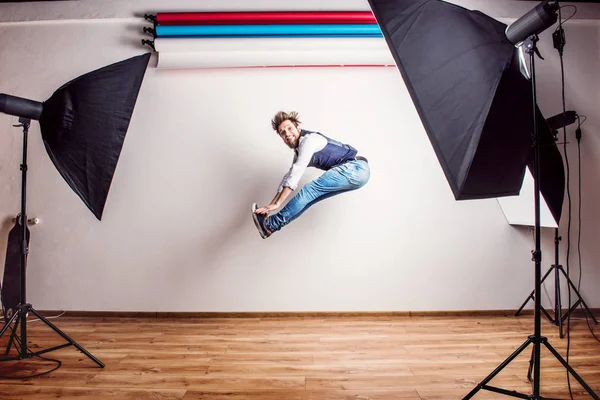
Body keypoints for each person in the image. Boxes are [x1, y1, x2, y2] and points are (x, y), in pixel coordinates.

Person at [252, 111, 370, 239]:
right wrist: (271, 205)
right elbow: (289, 176)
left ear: (298, 128)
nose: (287, 133)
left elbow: (297, 173)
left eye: (289, 128)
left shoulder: (309, 140)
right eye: (282, 132)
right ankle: (270, 227)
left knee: (310, 190)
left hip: (356, 168)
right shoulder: (299, 151)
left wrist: (278, 204)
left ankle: (270, 225)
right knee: (311, 197)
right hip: (355, 173)